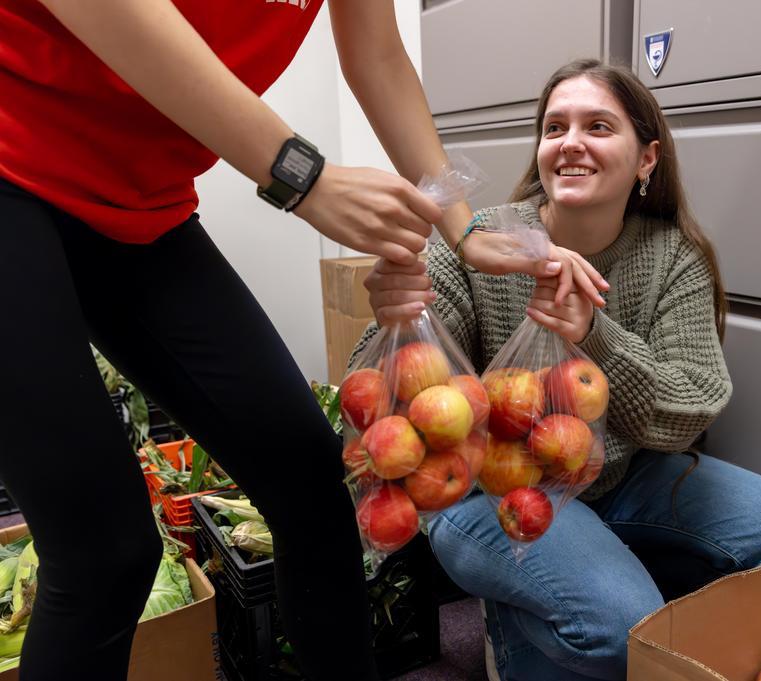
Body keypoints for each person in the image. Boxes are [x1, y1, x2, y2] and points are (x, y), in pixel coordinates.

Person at [0, 2, 606, 680]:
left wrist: (461, 229)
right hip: (9, 161)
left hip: (141, 206)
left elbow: (376, 53)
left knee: (313, 489)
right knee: (103, 555)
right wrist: (300, 174)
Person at [361, 59, 761, 681]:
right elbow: (400, 398)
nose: (571, 143)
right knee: (623, 634)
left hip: (617, 476)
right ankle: (523, 625)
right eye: (555, 128)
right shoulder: (484, 241)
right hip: (492, 491)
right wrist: (398, 312)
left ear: (646, 159)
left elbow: (690, 408)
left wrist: (591, 334)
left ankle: (582, 584)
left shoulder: (672, 258)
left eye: (598, 126)